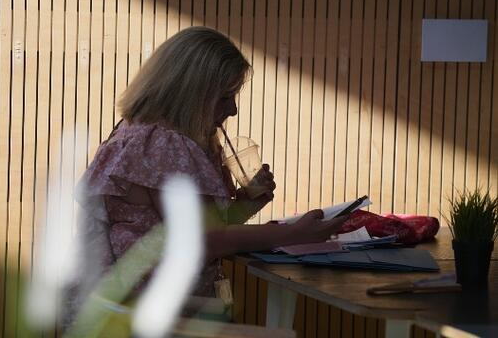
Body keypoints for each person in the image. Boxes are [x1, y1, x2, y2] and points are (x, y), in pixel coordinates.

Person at [74, 26, 349, 307]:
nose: (233, 110)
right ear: (189, 94)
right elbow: (205, 240)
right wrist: (294, 234)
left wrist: (244, 204)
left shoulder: (137, 133)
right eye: (225, 97)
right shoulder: (164, 146)